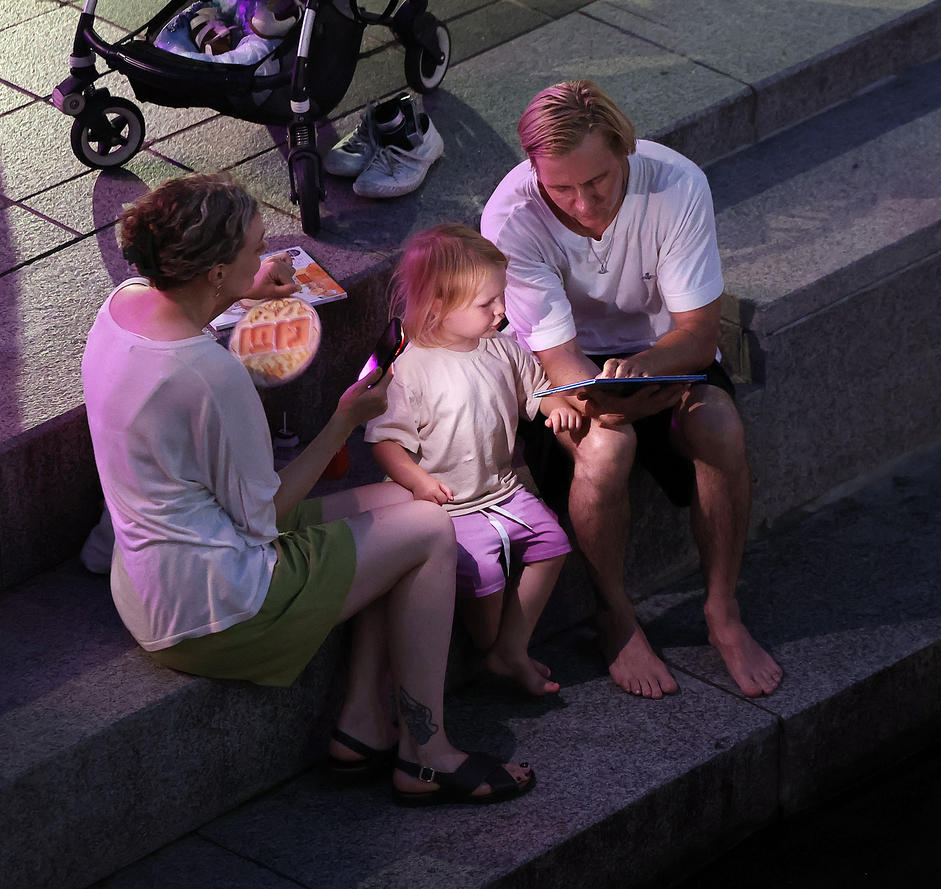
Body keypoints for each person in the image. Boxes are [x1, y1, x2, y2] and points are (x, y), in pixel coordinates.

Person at [82, 173, 533, 806]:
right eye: (254, 249)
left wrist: (242, 289)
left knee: (408, 503)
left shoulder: (123, 304)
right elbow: (263, 516)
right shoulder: (208, 374)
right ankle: (427, 755)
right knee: (433, 529)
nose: (267, 258)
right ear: (215, 271)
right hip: (216, 611)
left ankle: (362, 723)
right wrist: (344, 420)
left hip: (150, 582)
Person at [480, 80, 783, 699]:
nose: (582, 204)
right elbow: (558, 358)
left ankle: (722, 608)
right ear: (535, 171)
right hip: (560, 366)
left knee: (719, 423)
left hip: (663, 348)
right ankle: (615, 616)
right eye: (561, 188)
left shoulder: (676, 184)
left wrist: (643, 370)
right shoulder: (511, 216)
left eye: (598, 181)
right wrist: (610, 407)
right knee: (605, 449)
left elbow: (698, 333)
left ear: (625, 149)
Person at [365, 224, 582, 696]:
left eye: (502, 296)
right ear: (438, 306)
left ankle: (510, 647)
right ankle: (494, 648)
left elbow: (536, 389)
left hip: (501, 490)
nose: (501, 310)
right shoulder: (411, 368)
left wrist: (556, 406)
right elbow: (384, 442)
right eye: (487, 303)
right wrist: (417, 481)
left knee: (553, 543)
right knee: (485, 578)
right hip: (445, 507)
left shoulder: (502, 348)